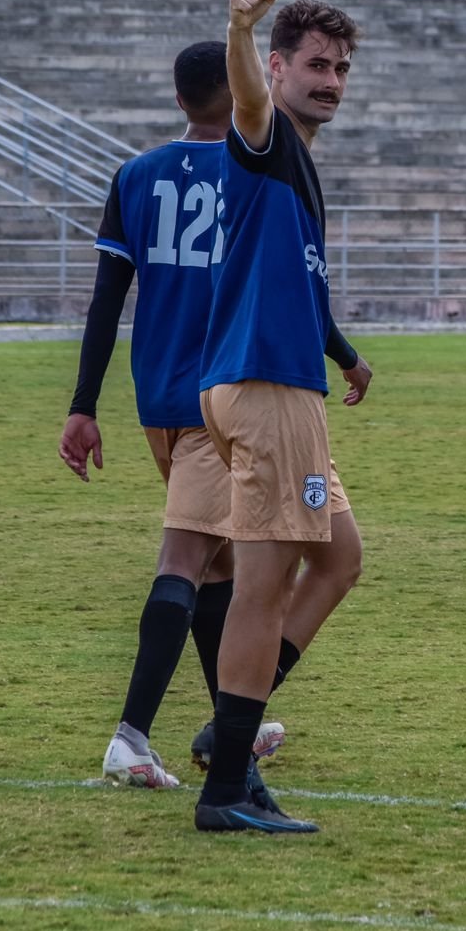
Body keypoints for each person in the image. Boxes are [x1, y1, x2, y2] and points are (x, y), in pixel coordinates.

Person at [58, 41, 370, 810]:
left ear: (175, 98)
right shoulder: (249, 164)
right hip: (236, 384)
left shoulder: (137, 175)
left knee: (234, 569)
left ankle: (229, 727)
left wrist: (84, 403)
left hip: (164, 393)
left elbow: (106, 300)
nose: (330, 82)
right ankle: (152, 735)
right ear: (248, 87)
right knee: (205, 562)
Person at [193, 0, 363, 835]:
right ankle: (228, 785)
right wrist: (238, 26)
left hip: (278, 383)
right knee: (263, 590)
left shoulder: (297, 163)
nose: (330, 80)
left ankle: (227, 729)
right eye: (315, 65)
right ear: (278, 67)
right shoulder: (263, 136)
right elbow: (247, 100)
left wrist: (346, 355)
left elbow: (298, 283)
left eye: (340, 68)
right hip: (265, 388)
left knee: (338, 561)